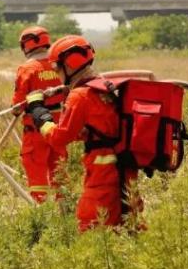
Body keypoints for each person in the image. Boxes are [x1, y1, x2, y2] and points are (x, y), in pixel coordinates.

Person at [26, 36, 143, 231]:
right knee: (129, 228)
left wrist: (39, 112)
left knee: (91, 229)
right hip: (125, 171)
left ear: (70, 65)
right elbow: (102, 129)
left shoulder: (80, 95)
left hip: (103, 176)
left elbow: (58, 138)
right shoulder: (106, 87)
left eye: (56, 68)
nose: (56, 74)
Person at [12, 27, 66, 202]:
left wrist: (15, 109)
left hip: (35, 128)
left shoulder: (27, 69)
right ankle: (65, 212)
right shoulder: (58, 66)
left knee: (36, 174)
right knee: (60, 174)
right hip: (59, 126)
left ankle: (40, 213)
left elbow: (18, 105)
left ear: (26, 45)